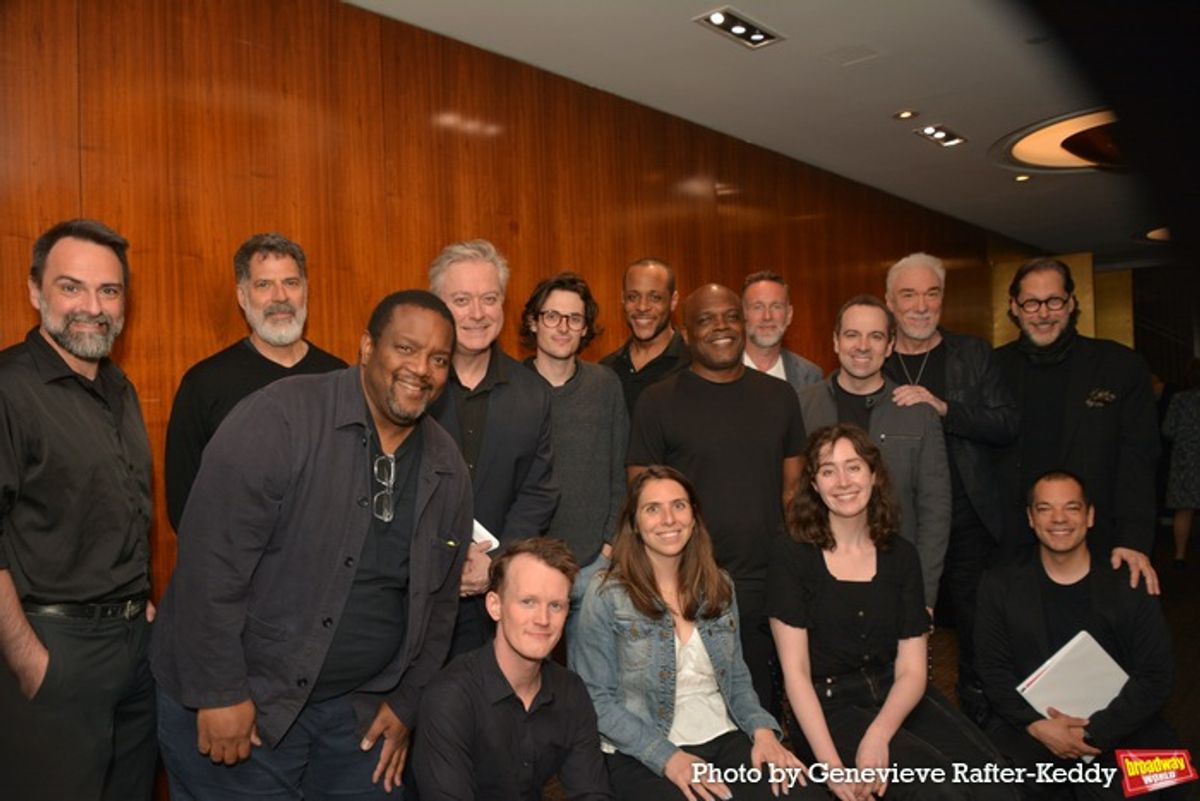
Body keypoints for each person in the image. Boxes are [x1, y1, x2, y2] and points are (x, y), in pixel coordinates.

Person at [151, 290, 472, 799]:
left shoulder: (447, 465)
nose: (421, 369)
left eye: (438, 359)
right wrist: (217, 693)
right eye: (406, 349)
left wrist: (408, 702)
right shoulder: (279, 419)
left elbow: (439, 604)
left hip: (358, 718)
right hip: (246, 705)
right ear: (367, 347)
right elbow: (210, 567)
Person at [769, 425, 1016, 801]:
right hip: (827, 707)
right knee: (936, 792)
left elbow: (913, 671)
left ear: (874, 474)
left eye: (853, 467)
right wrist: (834, 771)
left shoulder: (901, 556)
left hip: (896, 693)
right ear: (814, 485)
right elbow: (797, 677)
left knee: (994, 783)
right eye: (827, 470)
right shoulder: (792, 556)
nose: (842, 481)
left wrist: (879, 735)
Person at [0, 219, 156, 801]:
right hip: (52, 650)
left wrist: (139, 602)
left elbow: (120, 508)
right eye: (72, 288)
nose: (92, 307)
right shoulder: (8, 389)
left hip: (132, 650)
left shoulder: (119, 387)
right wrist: (28, 660)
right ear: (36, 292)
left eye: (108, 291)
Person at [573, 466, 817, 801]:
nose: (668, 519)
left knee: (802, 794)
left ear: (694, 516)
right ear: (634, 524)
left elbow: (737, 679)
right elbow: (595, 699)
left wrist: (763, 731)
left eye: (679, 505)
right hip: (642, 746)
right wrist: (667, 758)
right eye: (652, 509)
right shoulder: (605, 595)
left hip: (723, 732)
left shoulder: (720, 586)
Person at [627, 284, 806, 711]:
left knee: (760, 700)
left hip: (763, 580)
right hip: (687, 579)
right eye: (706, 319)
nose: (721, 327)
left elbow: (793, 494)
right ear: (686, 333)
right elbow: (642, 497)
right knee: (690, 704)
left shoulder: (780, 396)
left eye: (731, 316)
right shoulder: (657, 401)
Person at [974, 471, 1182, 800]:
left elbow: (1156, 677)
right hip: (1030, 729)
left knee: (1162, 779)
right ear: (1031, 518)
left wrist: (1092, 732)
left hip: (1123, 726)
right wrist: (1038, 726)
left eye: (1071, 507)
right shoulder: (998, 587)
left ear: (1090, 515)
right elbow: (992, 672)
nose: (1059, 519)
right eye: (1044, 508)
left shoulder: (1129, 583)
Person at [882, 252, 1018, 720]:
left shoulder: (973, 354)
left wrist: (945, 409)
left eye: (932, 293)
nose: (921, 305)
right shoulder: (875, 359)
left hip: (967, 523)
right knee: (895, 634)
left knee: (977, 636)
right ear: (890, 302)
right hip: (894, 526)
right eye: (909, 294)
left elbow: (1006, 423)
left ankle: (981, 725)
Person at [994, 258, 1159, 592]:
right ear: (1014, 307)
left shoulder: (1120, 366)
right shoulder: (992, 369)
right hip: (1011, 547)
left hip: (1100, 544)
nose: (1043, 313)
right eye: (1031, 303)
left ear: (1071, 303)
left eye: (1054, 301)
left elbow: (1138, 460)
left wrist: (1134, 538)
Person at [428, 239, 558, 655]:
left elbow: (538, 492)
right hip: (415, 592)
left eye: (489, 298)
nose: (477, 313)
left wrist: (495, 559)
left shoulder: (532, 393)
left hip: (493, 599)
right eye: (461, 300)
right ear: (438, 306)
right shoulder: (413, 387)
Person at [164, 232, 345, 529]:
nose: (280, 297)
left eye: (291, 283)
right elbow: (185, 506)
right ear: (242, 296)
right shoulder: (204, 384)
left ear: (306, 291)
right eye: (264, 285)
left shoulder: (340, 378)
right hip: (239, 571)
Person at [411, 538, 612, 801]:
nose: (543, 620)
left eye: (555, 605)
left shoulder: (570, 690)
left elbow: (591, 793)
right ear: (495, 606)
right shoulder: (450, 697)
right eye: (528, 602)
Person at [797, 295, 950, 608]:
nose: (863, 346)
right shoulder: (802, 406)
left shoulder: (918, 413)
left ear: (890, 345)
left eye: (876, 336)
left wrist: (924, 595)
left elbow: (935, 510)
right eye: (852, 335)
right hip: (818, 581)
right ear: (836, 342)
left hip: (895, 581)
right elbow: (791, 495)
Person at [520, 273, 627, 625]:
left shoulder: (605, 385)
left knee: (595, 678)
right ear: (534, 322)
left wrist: (609, 546)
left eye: (574, 318)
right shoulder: (511, 387)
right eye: (552, 316)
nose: (563, 327)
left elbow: (619, 469)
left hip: (594, 564)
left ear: (585, 328)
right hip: (528, 562)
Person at [601, 258, 690, 414]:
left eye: (655, 297)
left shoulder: (694, 365)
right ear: (623, 299)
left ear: (673, 301)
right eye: (633, 297)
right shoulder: (606, 370)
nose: (642, 307)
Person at [741, 270, 822, 394]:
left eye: (776, 306)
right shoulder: (719, 371)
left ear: (789, 315)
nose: (767, 316)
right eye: (758, 307)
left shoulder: (810, 376)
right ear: (743, 313)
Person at [1162, 359, 1200, 568]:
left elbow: (1167, 429)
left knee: (1183, 510)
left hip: (1185, 460)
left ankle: (1179, 554)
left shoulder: (1179, 399)